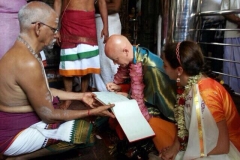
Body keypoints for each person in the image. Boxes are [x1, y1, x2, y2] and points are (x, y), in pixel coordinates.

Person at [0, 2, 114, 159]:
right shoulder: (27, 62)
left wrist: (81, 96)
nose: (55, 35)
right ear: (38, 27)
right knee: (83, 131)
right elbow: (50, 115)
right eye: (53, 29)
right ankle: (20, 158)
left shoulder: (25, 51)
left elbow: (44, 91)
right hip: (13, 136)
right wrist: (91, 112)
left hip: (14, 126)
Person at [160, 41, 240, 160]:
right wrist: (176, 147)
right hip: (206, 148)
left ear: (179, 70)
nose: (163, 68)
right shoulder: (189, 86)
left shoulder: (206, 94)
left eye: (165, 65)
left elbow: (223, 146)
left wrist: (187, 154)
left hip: (227, 152)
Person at [104, 35, 177, 153]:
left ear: (126, 51)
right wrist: (119, 87)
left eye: (116, 59)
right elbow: (136, 84)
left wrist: (127, 96)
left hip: (162, 111)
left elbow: (150, 99)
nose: (114, 63)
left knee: (124, 112)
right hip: (146, 98)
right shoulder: (135, 55)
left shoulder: (151, 68)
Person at [54, 0, 109, 109]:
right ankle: (68, 98)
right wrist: (55, 28)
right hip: (69, 21)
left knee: (87, 61)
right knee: (68, 62)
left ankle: (84, 95)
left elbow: (102, 2)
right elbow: (58, 2)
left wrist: (106, 27)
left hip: (88, 21)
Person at [90, 0, 122, 92]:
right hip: (95, 20)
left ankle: (112, 86)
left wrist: (95, 6)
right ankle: (98, 87)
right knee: (97, 56)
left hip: (110, 21)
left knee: (108, 56)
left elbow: (115, 6)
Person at [221, 0, 240, 94]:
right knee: (231, 69)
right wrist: (238, 20)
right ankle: (232, 97)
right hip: (232, 33)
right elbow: (224, 11)